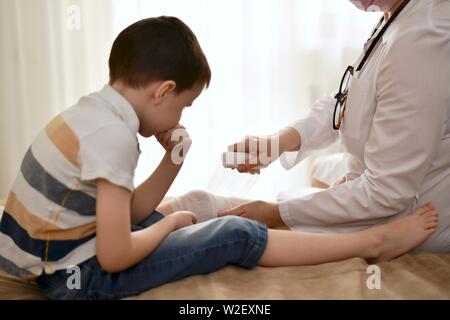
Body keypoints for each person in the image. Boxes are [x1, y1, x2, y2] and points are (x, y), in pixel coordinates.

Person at [0, 16, 439, 300]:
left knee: (189, 204)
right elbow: (115, 255)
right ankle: (373, 242)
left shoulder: (91, 114)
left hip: (57, 259)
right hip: (76, 279)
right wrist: (172, 223)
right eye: (183, 106)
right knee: (234, 232)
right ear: (164, 91)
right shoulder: (114, 138)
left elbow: (129, 211)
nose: (180, 117)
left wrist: (171, 163)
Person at [201, 0, 449, 252]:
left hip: (407, 204)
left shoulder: (420, 41)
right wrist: (276, 143)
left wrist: (276, 214)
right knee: (320, 169)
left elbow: (387, 192)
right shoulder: (397, 14)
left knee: (221, 219)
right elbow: (348, 97)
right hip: (377, 173)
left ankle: (377, 242)